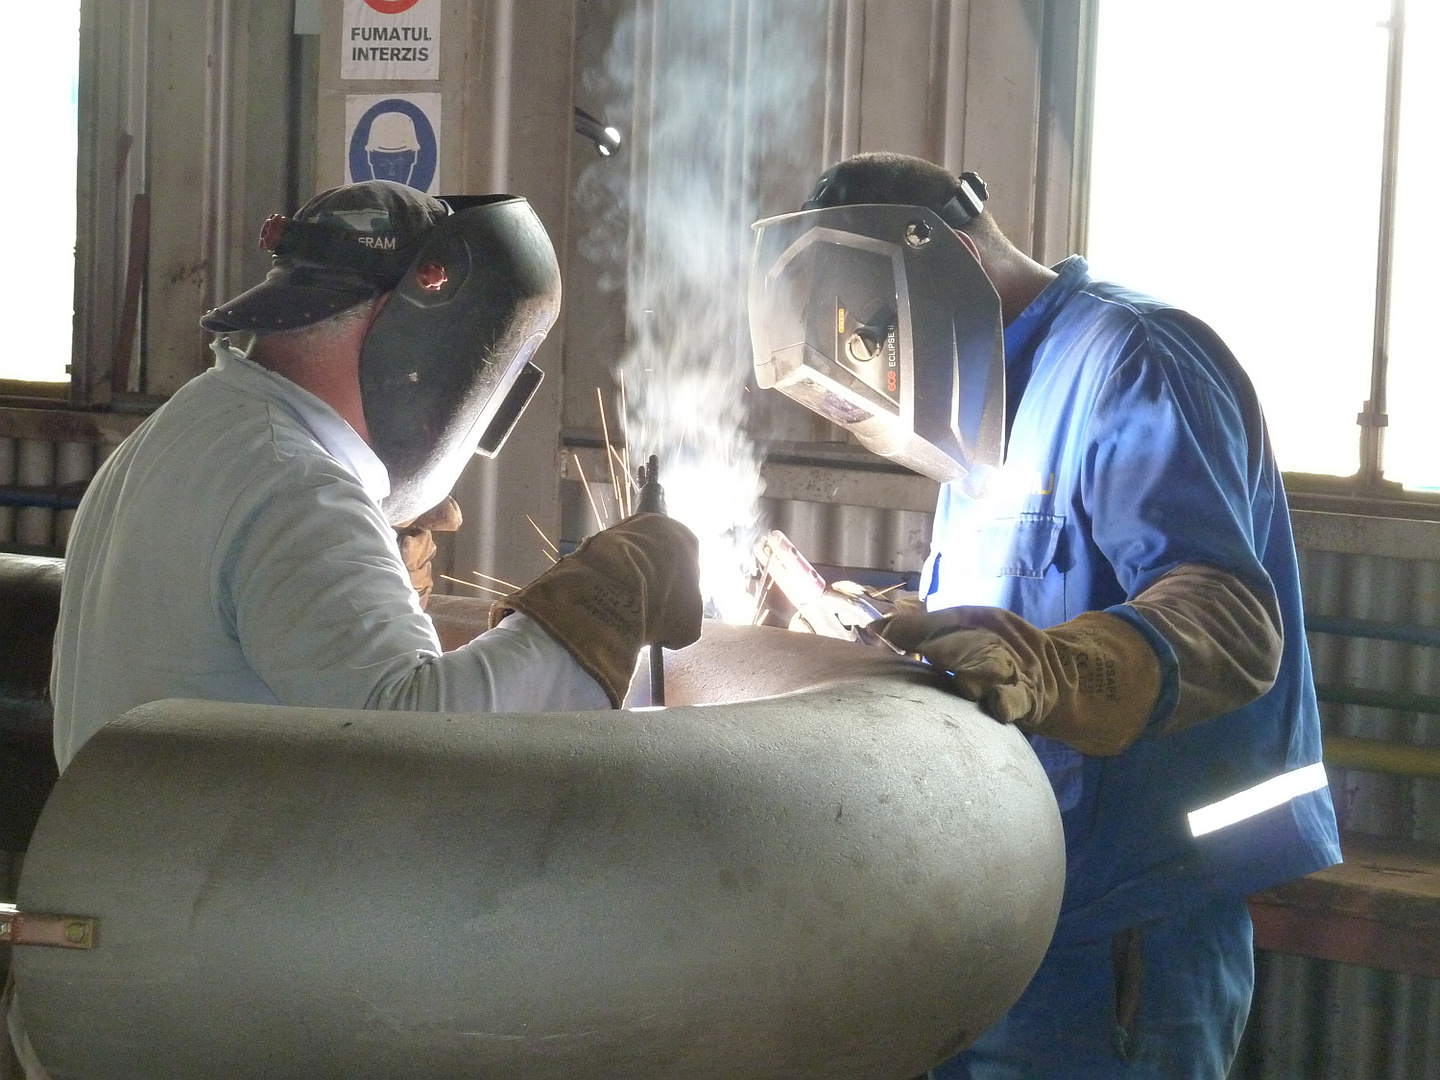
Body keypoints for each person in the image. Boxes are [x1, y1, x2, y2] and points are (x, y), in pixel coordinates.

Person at [4, 180, 701, 1078]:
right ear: (432, 340)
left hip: (121, 978)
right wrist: (598, 598)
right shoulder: (295, 483)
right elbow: (421, 743)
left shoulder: (178, 434)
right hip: (222, 1006)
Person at [754, 153, 1341, 1079]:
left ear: (944, 264)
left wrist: (1059, 669)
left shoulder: (1131, 357)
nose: (883, 370)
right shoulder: (985, 409)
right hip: (999, 912)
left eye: (875, 336)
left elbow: (1228, 616)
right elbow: (1008, 621)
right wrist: (877, 634)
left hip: (1123, 923)